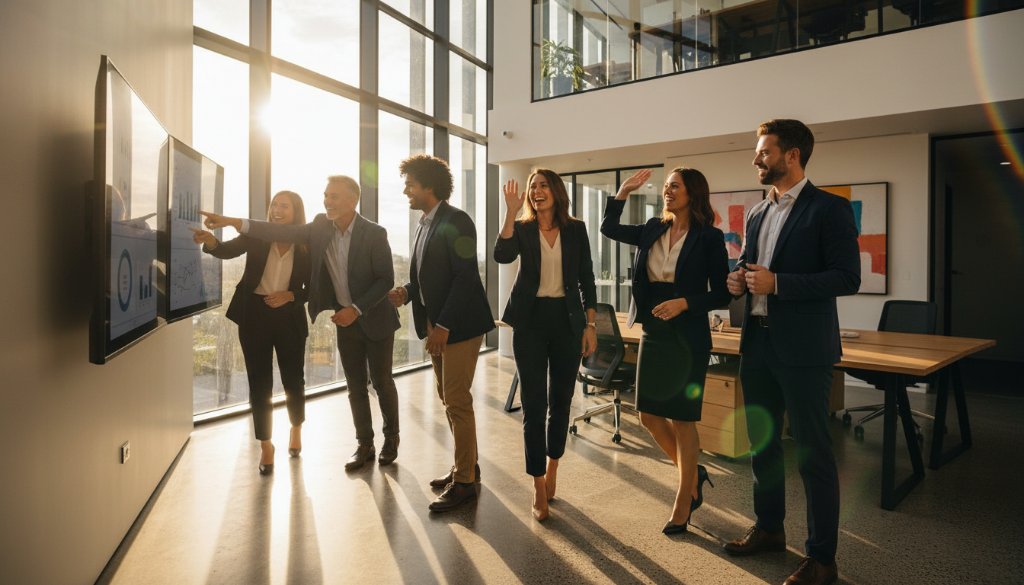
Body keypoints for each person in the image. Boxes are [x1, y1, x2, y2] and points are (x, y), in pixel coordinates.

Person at [723, 119, 860, 585]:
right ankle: (769, 529)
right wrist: (737, 279)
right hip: (758, 344)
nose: (756, 159)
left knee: (812, 455)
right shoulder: (759, 213)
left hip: (805, 351)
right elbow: (747, 266)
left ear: (792, 155)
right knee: (762, 445)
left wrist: (779, 284)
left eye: (764, 152)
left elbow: (847, 278)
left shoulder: (830, 210)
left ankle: (822, 559)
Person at [199, 176, 402, 472]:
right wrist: (230, 222)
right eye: (325, 195)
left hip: (373, 318)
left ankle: (391, 439)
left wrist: (352, 308)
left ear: (352, 200)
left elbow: (385, 278)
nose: (327, 201)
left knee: (381, 382)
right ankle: (364, 444)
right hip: (336, 319)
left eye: (334, 197)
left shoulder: (373, 233)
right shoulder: (319, 229)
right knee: (355, 386)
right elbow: (263, 232)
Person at [601, 166, 731, 534]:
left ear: (693, 193)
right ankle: (693, 474)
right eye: (666, 187)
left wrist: (686, 303)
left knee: (682, 419)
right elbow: (608, 229)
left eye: (675, 186)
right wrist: (623, 191)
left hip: (687, 334)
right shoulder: (652, 228)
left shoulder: (709, 237)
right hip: (654, 331)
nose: (667, 191)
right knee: (648, 415)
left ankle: (683, 498)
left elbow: (723, 293)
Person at [386, 154, 494, 513]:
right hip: (436, 328)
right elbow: (425, 277)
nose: (406, 191)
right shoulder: (424, 223)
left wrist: (444, 326)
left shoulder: (456, 220)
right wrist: (405, 291)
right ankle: (467, 467)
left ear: (428, 186)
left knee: (457, 400)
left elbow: (465, 277)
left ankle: (465, 483)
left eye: (410, 184)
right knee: (450, 401)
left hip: (458, 326)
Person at [494, 169, 598, 522]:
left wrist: (590, 325)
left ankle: (553, 465)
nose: (536, 191)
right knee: (534, 405)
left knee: (561, 401)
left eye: (542, 186)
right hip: (531, 323)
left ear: (556, 191)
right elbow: (501, 255)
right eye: (531, 187)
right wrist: (510, 212)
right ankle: (537, 481)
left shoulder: (575, 229)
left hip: (567, 323)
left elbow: (586, 277)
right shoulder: (522, 228)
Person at [192, 190, 311, 476]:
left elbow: (315, 287)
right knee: (260, 382)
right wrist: (210, 242)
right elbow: (227, 250)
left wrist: (291, 295)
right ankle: (266, 444)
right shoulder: (257, 234)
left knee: (293, 379)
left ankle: (295, 428)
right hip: (254, 315)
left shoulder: (308, 243)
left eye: (285, 205)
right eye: (274, 204)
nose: (277, 209)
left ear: (296, 211)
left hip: (289, 316)